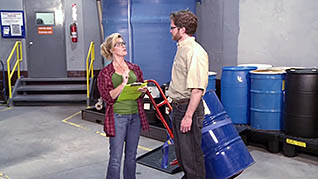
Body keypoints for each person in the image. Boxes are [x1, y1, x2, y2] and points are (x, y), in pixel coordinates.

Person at [97, 33, 149, 179]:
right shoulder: (105, 73)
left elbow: (139, 91)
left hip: (135, 116)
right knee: (115, 159)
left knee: (131, 157)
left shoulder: (134, 68)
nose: (123, 46)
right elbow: (108, 96)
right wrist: (123, 84)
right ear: (112, 50)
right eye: (118, 44)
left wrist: (142, 91)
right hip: (117, 117)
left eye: (123, 43)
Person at [168, 9, 209, 179]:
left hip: (187, 108)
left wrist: (188, 116)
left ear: (182, 30)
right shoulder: (182, 49)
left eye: (172, 28)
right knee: (184, 158)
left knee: (192, 159)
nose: (170, 31)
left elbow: (197, 89)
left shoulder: (194, 52)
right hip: (179, 107)